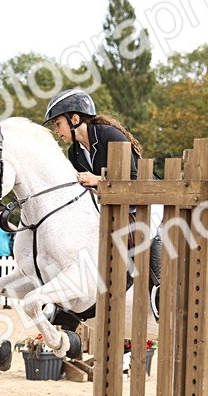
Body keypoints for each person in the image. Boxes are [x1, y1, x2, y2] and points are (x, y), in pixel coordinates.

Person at [43, 88, 163, 318]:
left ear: (74, 119)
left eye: (58, 123)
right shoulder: (75, 153)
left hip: (145, 200)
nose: (56, 131)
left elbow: (133, 180)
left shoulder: (109, 135)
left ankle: (159, 288)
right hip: (113, 208)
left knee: (145, 232)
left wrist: (98, 180)